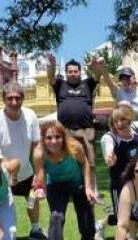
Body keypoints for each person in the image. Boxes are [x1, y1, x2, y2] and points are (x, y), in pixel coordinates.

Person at [33, 120, 98, 240]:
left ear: (63, 137)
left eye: (57, 137)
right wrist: (40, 189)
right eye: (49, 138)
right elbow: (40, 178)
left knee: (85, 216)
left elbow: (86, 165)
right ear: (43, 139)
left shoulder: (75, 147)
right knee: (56, 218)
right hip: (56, 186)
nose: (53, 141)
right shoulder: (39, 153)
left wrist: (88, 188)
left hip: (77, 183)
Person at [0, 82, 46, 240]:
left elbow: (37, 146)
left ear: (23, 99)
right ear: (3, 99)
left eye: (18, 98)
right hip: (2, 173)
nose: (14, 102)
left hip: (26, 171)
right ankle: (2, 237)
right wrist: (10, 169)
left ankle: (35, 230)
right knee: (0, 206)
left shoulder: (31, 116)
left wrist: (39, 176)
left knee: (32, 200)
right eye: (10, 98)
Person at [47, 55, 102, 186]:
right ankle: (67, 188)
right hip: (65, 131)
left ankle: (92, 190)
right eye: (70, 71)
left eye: (75, 71)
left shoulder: (87, 84)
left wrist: (96, 67)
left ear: (80, 72)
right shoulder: (60, 84)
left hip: (86, 130)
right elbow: (50, 77)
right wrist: (52, 65)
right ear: (66, 73)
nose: (73, 74)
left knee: (90, 161)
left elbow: (97, 76)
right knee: (65, 161)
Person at [97, 104, 138, 240]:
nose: (119, 124)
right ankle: (100, 225)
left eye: (123, 119)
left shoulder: (137, 131)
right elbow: (108, 153)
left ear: (130, 119)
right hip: (119, 184)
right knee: (120, 216)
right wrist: (110, 157)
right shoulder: (110, 137)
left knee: (135, 213)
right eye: (116, 120)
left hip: (136, 182)